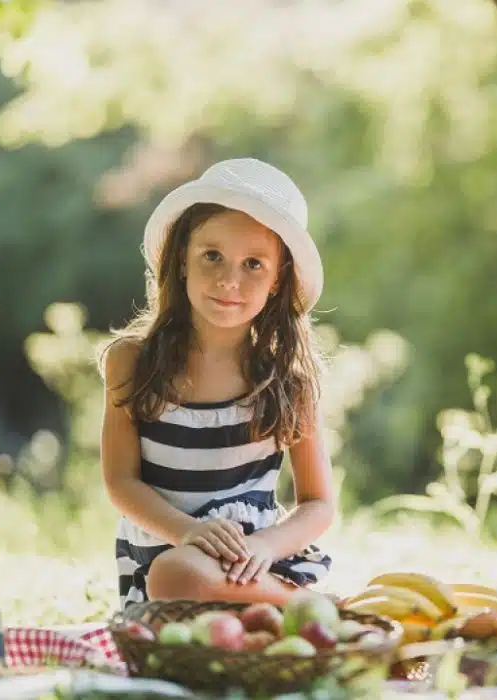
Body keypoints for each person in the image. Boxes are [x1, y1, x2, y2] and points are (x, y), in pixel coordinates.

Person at [98, 157, 334, 610]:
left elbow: (318, 503)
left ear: (277, 280)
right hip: (166, 566)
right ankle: (310, 610)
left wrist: (266, 547)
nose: (230, 280)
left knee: (182, 575)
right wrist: (187, 532)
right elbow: (121, 482)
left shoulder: (287, 378)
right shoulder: (132, 362)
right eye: (212, 256)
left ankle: (307, 607)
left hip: (253, 568)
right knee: (174, 572)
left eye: (253, 264)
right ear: (181, 259)